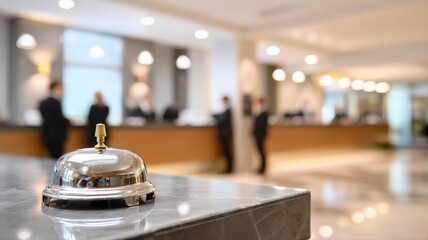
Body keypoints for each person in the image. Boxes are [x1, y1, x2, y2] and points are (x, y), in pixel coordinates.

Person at [39, 81, 69, 159]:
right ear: (54, 88)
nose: (61, 90)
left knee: (51, 156)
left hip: (47, 134)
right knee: (57, 157)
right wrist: (68, 121)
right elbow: (59, 118)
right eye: (59, 88)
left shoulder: (43, 102)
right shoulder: (55, 103)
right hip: (56, 135)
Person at [213, 96, 233, 173]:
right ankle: (227, 167)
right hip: (223, 134)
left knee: (227, 151)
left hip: (226, 134)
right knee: (225, 151)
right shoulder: (225, 110)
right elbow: (219, 115)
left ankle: (229, 168)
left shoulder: (228, 111)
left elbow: (222, 120)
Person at [252, 97, 269, 174]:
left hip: (260, 134)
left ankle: (263, 167)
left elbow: (262, 125)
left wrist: (254, 128)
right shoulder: (260, 112)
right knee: (260, 150)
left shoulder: (264, 113)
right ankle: (261, 166)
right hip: (258, 134)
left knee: (261, 150)